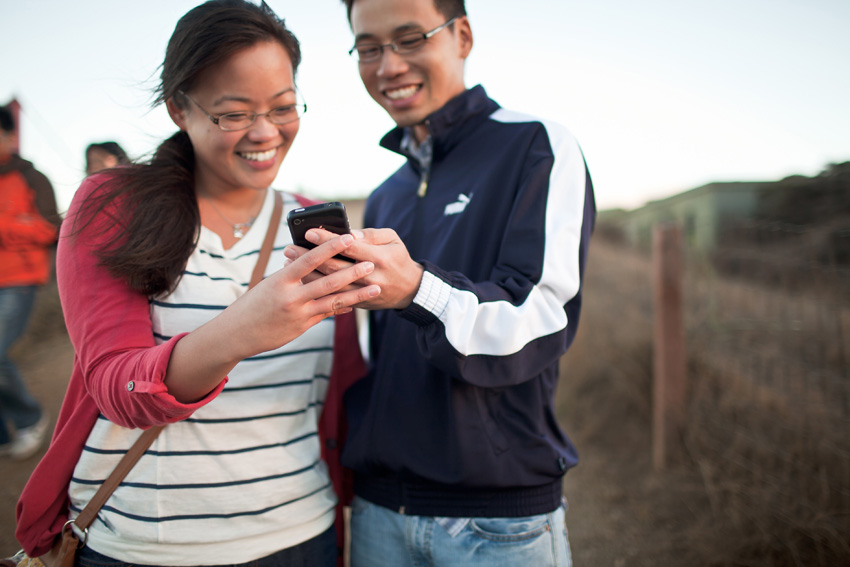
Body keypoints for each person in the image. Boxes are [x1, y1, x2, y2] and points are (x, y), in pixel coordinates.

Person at [15, 1, 379, 565]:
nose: (266, 132)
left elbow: (342, 389)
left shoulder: (313, 222)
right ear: (178, 108)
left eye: (284, 107)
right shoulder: (113, 205)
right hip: (142, 547)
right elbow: (114, 386)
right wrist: (240, 331)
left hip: (301, 536)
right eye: (234, 113)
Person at [292, 0, 596, 565]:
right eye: (369, 47)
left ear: (461, 36)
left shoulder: (536, 146)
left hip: (497, 520)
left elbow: (539, 320)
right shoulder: (386, 193)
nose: (388, 66)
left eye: (410, 39)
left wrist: (416, 290)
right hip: (380, 512)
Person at [0, 104, 60, 461]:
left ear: (9, 135)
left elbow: (52, 226)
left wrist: (6, 227)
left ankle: (30, 416)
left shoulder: (31, 177)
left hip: (20, 279)